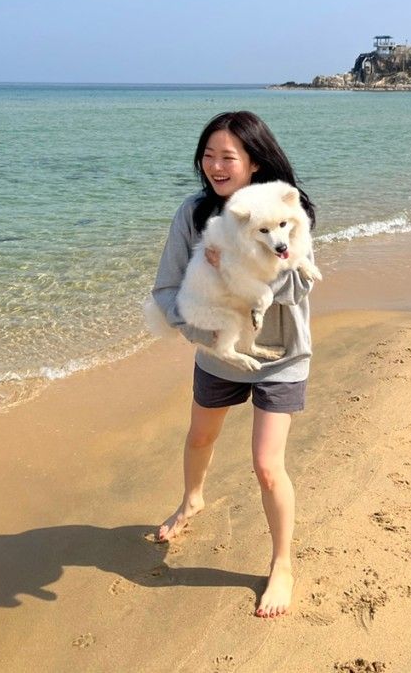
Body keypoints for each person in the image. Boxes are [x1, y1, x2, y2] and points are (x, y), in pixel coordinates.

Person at [150, 110, 317, 618]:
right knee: (200, 437)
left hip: (282, 355)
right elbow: (166, 288)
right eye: (208, 155)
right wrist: (206, 337)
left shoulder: (287, 209)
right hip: (219, 354)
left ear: (254, 161)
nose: (216, 167)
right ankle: (191, 500)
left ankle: (282, 565)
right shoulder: (195, 213)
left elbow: (301, 283)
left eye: (228, 157)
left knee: (268, 466)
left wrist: (255, 267)